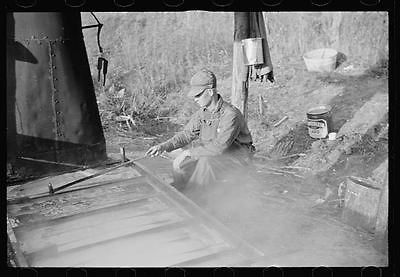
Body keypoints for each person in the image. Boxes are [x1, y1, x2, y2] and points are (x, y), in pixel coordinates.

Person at [145, 68, 255, 192]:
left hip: (236, 160)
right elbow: (186, 134)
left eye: (197, 95)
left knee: (204, 162)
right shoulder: (202, 113)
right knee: (183, 164)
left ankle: (196, 201)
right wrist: (163, 146)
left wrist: (188, 153)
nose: (195, 99)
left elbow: (219, 147)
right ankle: (181, 194)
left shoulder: (230, 115)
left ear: (210, 92)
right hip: (215, 157)